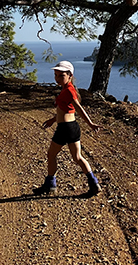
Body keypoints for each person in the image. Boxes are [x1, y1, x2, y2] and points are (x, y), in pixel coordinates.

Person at [33, 60, 102, 197]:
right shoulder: (67, 89)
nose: (57, 78)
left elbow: (79, 109)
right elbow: (65, 110)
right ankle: (94, 184)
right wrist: (53, 120)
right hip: (72, 127)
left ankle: (50, 185)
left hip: (65, 128)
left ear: (70, 75)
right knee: (78, 157)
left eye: (61, 75)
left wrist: (91, 124)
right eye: (56, 75)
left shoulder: (69, 91)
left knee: (51, 155)